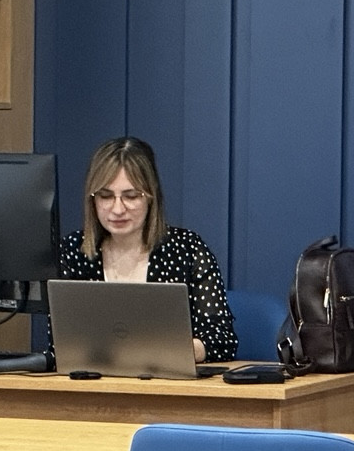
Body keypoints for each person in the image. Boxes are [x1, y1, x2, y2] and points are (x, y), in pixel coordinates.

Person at [58, 136, 237, 362]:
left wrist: (170, 352)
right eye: (105, 196)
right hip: (95, 380)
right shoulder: (73, 251)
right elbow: (60, 342)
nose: (117, 209)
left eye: (131, 196)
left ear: (151, 197)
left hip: (167, 380)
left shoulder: (187, 250)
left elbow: (222, 340)